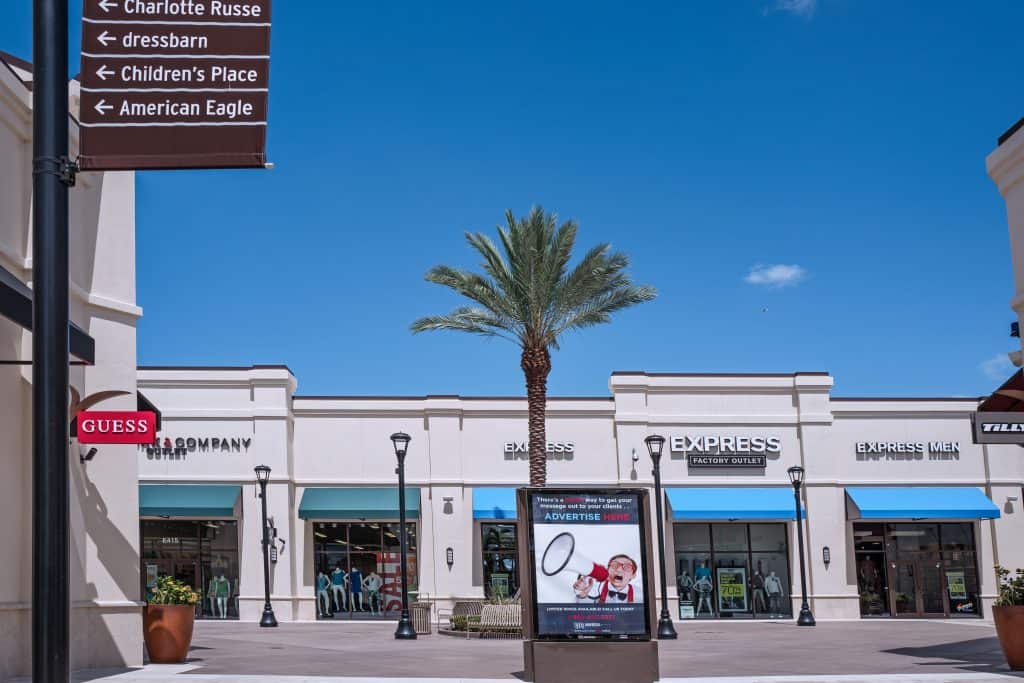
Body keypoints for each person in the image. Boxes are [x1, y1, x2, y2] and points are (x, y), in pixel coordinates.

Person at [573, 554, 643, 603]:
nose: (618, 569)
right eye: (614, 565)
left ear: (633, 575)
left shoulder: (640, 594)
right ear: (608, 569)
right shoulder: (596, 588)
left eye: (627, 567)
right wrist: (583, 596)